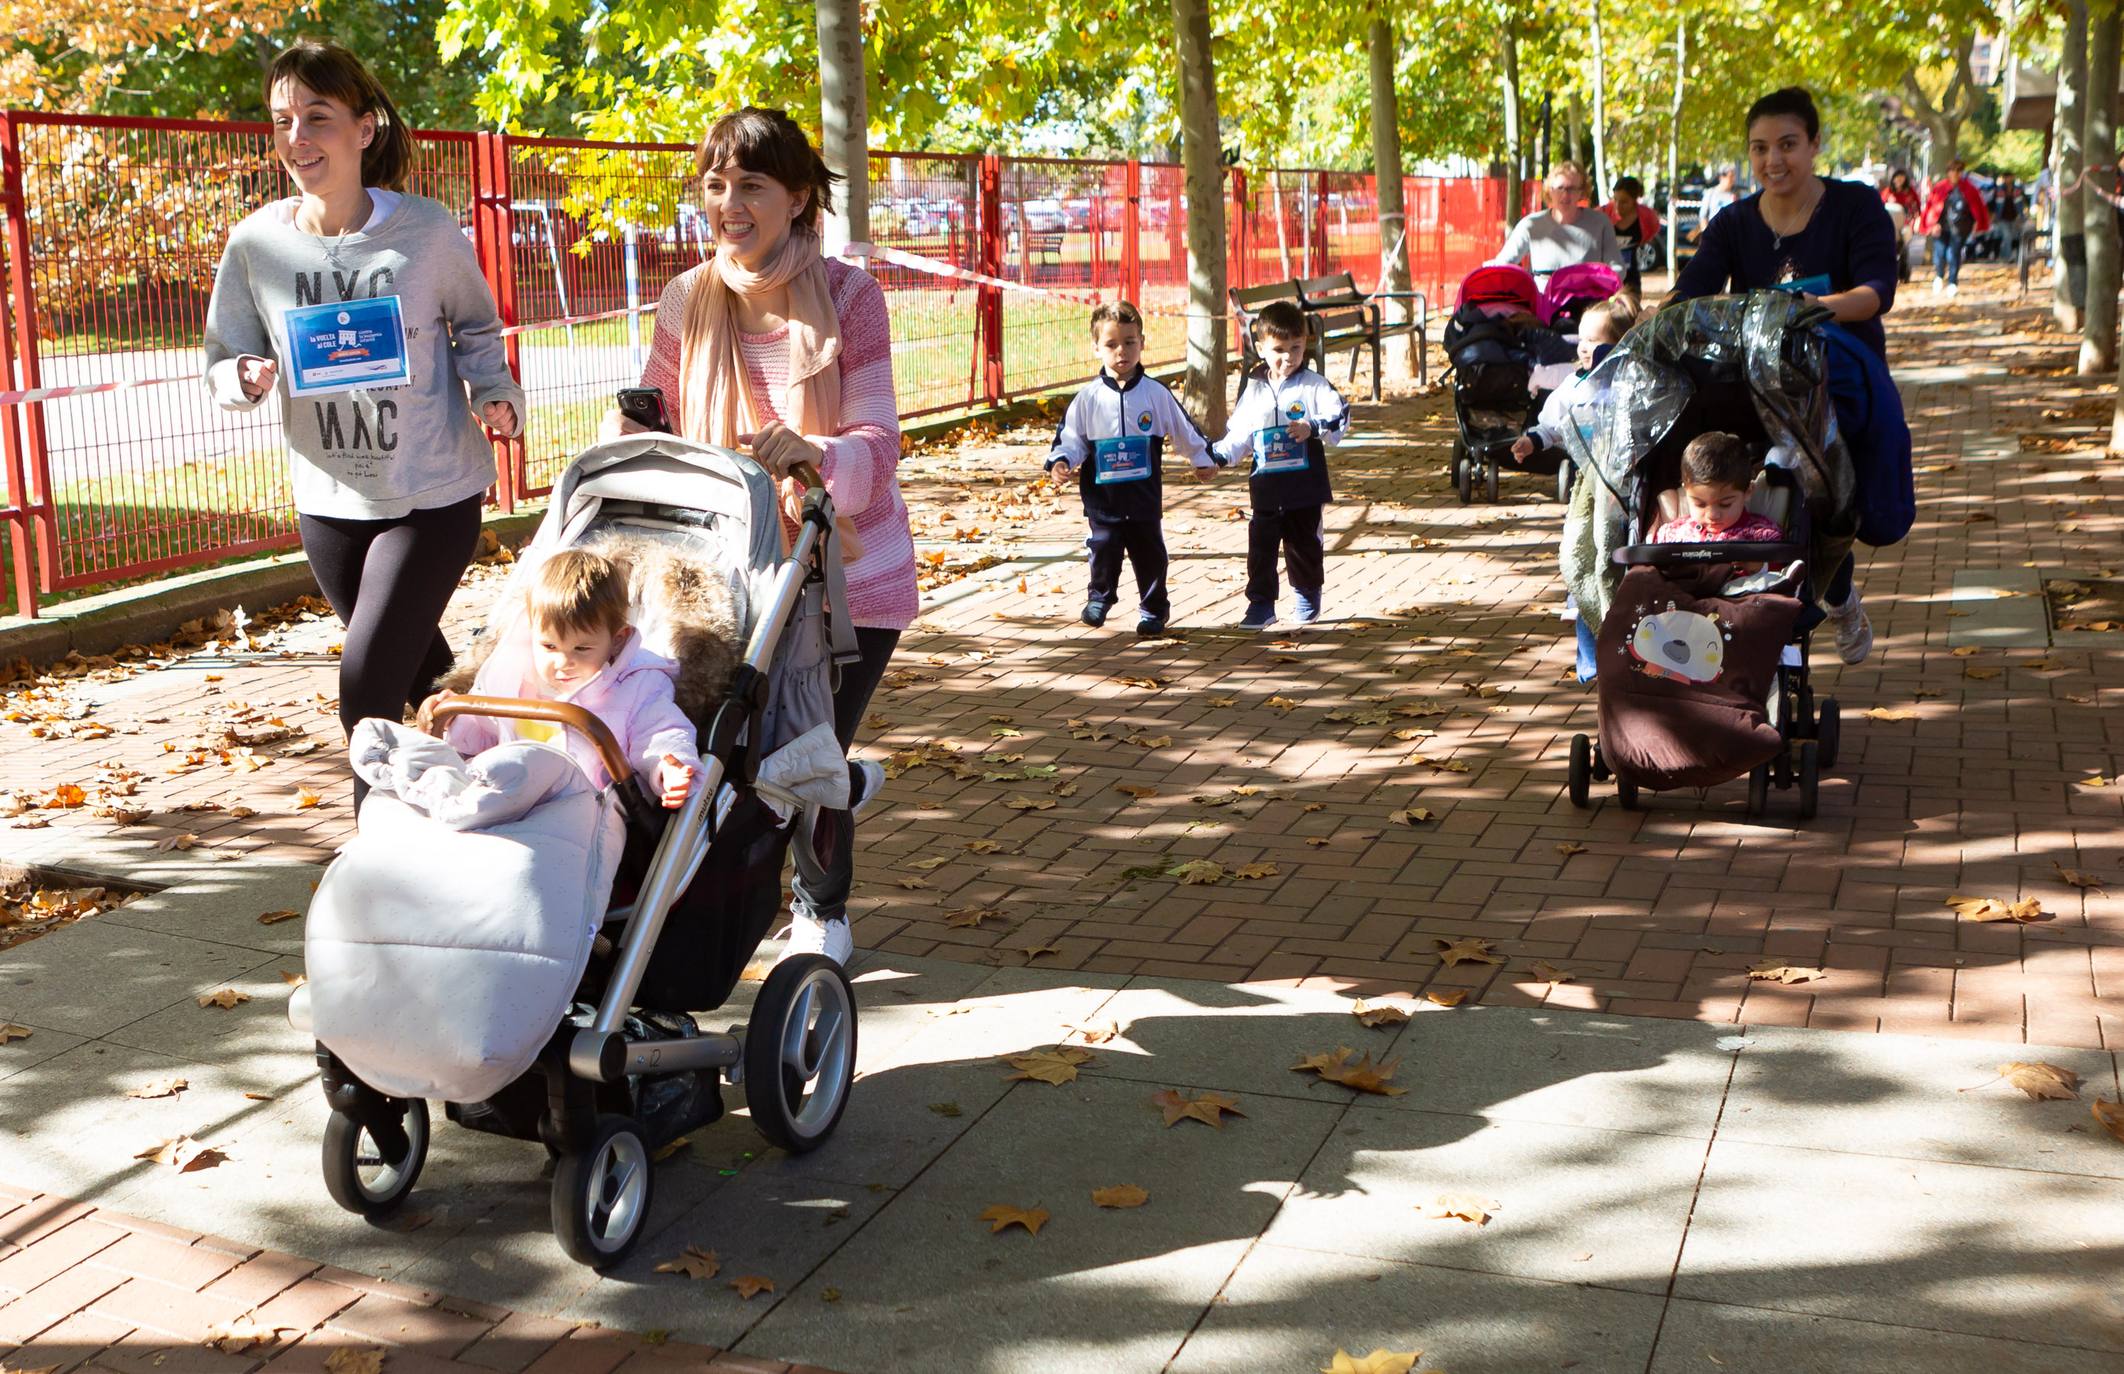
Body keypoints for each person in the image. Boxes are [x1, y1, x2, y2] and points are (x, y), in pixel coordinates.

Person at [624, 106, 916, 968]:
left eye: (750, 184)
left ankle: (820, 907)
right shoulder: (688, 299)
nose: (729, 202)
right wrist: (630, 425)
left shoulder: (853, 298)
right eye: (715, 184)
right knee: (733, 753)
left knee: (806, 746)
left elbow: (879, 441)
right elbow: (658, 406)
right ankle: (705, 900)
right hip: (729, 567)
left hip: (848, 577)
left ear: (797, 197)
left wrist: (815, 454)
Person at [203, 40, 525, 808]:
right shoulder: (257, 244)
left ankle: (375, 864)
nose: (297, 138)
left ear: (364, 128)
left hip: (432, 494)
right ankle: (495, 781)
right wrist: (242, 377)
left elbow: (476, 328)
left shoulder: (424, 230)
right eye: (283, 121)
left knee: (365, 688)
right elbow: (223, 354)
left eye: (317, 117)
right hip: (329, 502)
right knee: (421, 672)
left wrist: (493, 391)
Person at [1671, 85, 1895, 664]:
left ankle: (1838, 595)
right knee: (1767, 493)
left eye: (1788, 144)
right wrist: (1648, 324)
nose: (1774, 160)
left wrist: (1799, 310)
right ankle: (1795, 595)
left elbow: (1874, 292)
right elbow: (1690, 291)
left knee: (1829, 499)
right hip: (1753, 382)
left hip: (1835, 380)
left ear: (1815, 144)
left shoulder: (1855, 206)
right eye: (1760, 148)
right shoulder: (1732, 223)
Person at [419, 549, 700, 807]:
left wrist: (666, 766)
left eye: (582, 648)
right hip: (515, 799)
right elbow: (482, 734)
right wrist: (452, 718)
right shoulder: (513, 676)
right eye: (549, 646)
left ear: (617, 641)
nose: (563, 663)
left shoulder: (639, 684)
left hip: (591, 808)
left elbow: (660, 732)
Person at [1045, 300, 1221, 636]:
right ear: (1096, 347)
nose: (1121, 352)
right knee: (1103, 551)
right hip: (1103, 501)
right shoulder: (1088, 399)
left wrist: (1202, 458)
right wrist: (1062, 461)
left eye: (1129, 342)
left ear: (1142, 342)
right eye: (1111, 345)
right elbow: (1071, 438)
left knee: (1150, 555)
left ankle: (1153, 610)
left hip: (1143, 499)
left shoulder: (1155, 394)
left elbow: (1182, 428)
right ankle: (1100, 597)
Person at [1213, 301, 1347, 630]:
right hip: (1266, 488)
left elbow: (1339, 415)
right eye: (1278, 349)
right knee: (1261, 547)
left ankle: (1306, 593)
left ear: (1306, 345)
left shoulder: (1315, 385)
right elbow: (1239, 435)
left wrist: (1312, 427)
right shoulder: (1254, 388)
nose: (1287, 357)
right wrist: (1215, 457)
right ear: (1261, 348)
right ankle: (1260, 604)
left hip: (1304, 489)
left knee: (1304, 545)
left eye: (1296, 348)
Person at [1511, 293, 1639, 463]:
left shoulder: (1632, 379)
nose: (1583, 348)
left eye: (1592, 340)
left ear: (1618, 343)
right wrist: (1531, 441)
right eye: (1581, 340)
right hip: (1587, 469)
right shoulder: (1576, 385)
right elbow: (1552, 423)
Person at [1494, 160, 1622, 278]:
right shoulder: (1531, 225)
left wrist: (1603, 286)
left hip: (1588, 299)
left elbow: (1617, 268)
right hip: (1543, 299)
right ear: (1549, 190)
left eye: (1572, 189)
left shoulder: (1600, 223)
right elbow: (1503, 263)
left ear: (1582, 192)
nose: (1565, 195)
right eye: (1560, 188)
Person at [1656, 433, 1785, 545]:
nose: (1712, 515)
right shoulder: (1672, 534)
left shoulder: (1763, 535)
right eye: (1700, 504)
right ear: (1686, 493)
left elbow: (1781, 566)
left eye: (1725, 504)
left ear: (1748, 492)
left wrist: (1758, 566)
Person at [1917, 158, 1990, 296]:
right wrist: (1932, 225)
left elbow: (1977, 208)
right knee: (1939, 254)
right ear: (1948, 172)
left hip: (1960, 228)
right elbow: (1932, 207)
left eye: (1958, 170)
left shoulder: (1970, 189)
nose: (1955, 173)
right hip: (1941, 227)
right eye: (1952, 170)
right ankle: (1939, 276)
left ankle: (1952, 282)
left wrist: (1976, 225)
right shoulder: (1940, 187)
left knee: (1953, 254)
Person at [1600, 175, 1663, 294]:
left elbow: (1652, 231)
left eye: (1624, 202)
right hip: (1605, 275)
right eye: (1615, 200)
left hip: (1631, 275)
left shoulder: (1647, 216)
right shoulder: (1602, 213)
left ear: (1634, 200)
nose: (1618, 206)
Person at [1879, 169, 1921, 283]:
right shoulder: (1888, 192)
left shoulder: (1909, 192)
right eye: (1897, 178)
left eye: (1902, 178)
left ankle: (1903, 273)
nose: (1899, 181)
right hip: (1889, 224)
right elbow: (1880, 206)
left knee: (1903, 249)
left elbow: (1917, 206)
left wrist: (1916, 219)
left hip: (1904, 225)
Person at [1989, 171, 2027, 265]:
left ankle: (2009, 255)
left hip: (2015, 217)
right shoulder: (1998, 190)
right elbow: (1993, 203)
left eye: (2010, 177)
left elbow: (2023, 201)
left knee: (2014, 236)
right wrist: (1993, 215)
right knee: (2007, 236)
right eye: (2006, 177)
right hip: (2002, 217)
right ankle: (2007, 257)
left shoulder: (2018, 189)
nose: (2008, 179)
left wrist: (2022, 214)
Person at [1693, 167, 1740, 241]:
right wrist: (1707, 234)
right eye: (1730, 177)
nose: (1732, 180)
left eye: (1733, 177)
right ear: (1721, 177)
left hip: (1730, 237)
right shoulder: (1711, 193)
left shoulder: (1735, 194)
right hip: (1713, 235)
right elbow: (1703, 215)